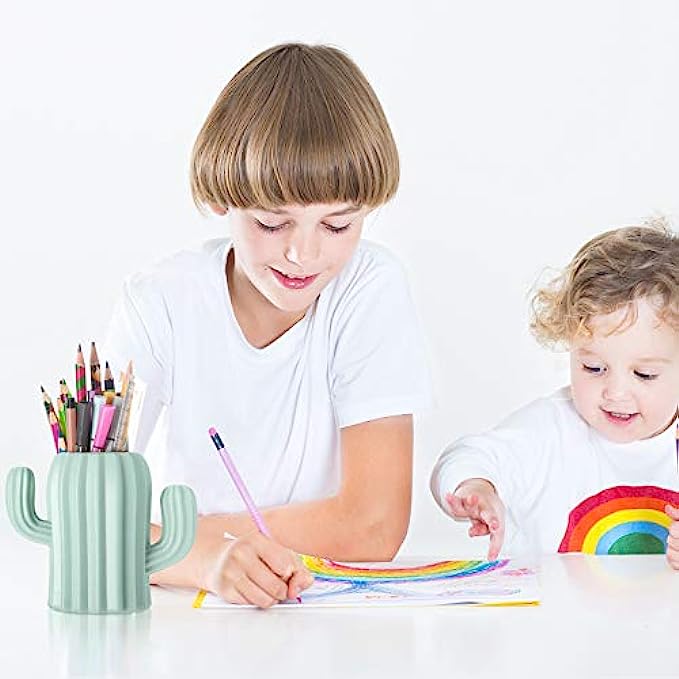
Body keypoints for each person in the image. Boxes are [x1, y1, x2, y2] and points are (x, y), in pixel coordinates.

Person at [105, 43, 431, 607]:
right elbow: (86, 517)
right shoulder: (159, 302)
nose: (303, 254)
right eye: (271, 223)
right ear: (223, 200)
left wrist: (175, 542)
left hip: (328, 616)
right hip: (186, 619)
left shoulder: (369, 287)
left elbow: (375, 525)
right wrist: (204, 561)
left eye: (337, 225)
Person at [431, 221, 679, 565]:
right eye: (594, 368)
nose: (615, 392)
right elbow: (467, 456)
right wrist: (477, 487)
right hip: (549, 602)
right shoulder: (550, 430)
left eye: (644, 374)